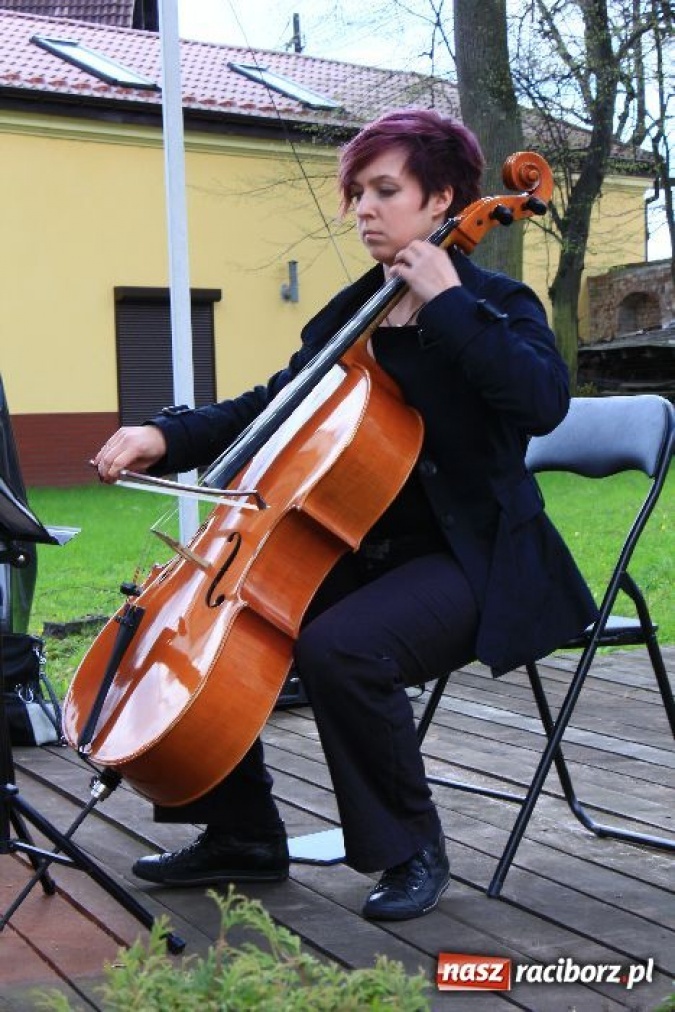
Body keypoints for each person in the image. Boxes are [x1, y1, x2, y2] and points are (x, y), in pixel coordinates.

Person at [93, 108, 597, 921]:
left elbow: (540, 404)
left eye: (384, 189)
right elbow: (270, 409)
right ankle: (243, 833)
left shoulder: (496, 302)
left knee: (342, 648)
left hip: (478, 560)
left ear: (442, 200)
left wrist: (447, 304)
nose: (362, 207)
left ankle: (410, 850)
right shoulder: (349, 315)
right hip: (364, 551)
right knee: (225, 633)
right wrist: (164, 431)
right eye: (357, 191)